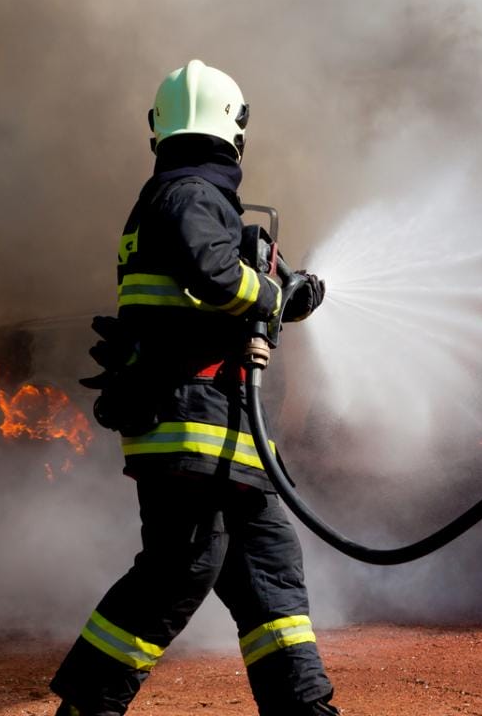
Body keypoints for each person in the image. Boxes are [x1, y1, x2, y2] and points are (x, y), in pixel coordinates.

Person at [50, 59, 336, 716]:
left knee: (270, 572)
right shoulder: (187, 196)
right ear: (236, 129)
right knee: (180, 569)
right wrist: (266, 291)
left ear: (160, 128)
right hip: (190, 427)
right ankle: (89, 704)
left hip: (223, 436)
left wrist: (290, 294)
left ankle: (304, 709)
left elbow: (217, 288)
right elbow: (213, 273)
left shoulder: (190, 197)